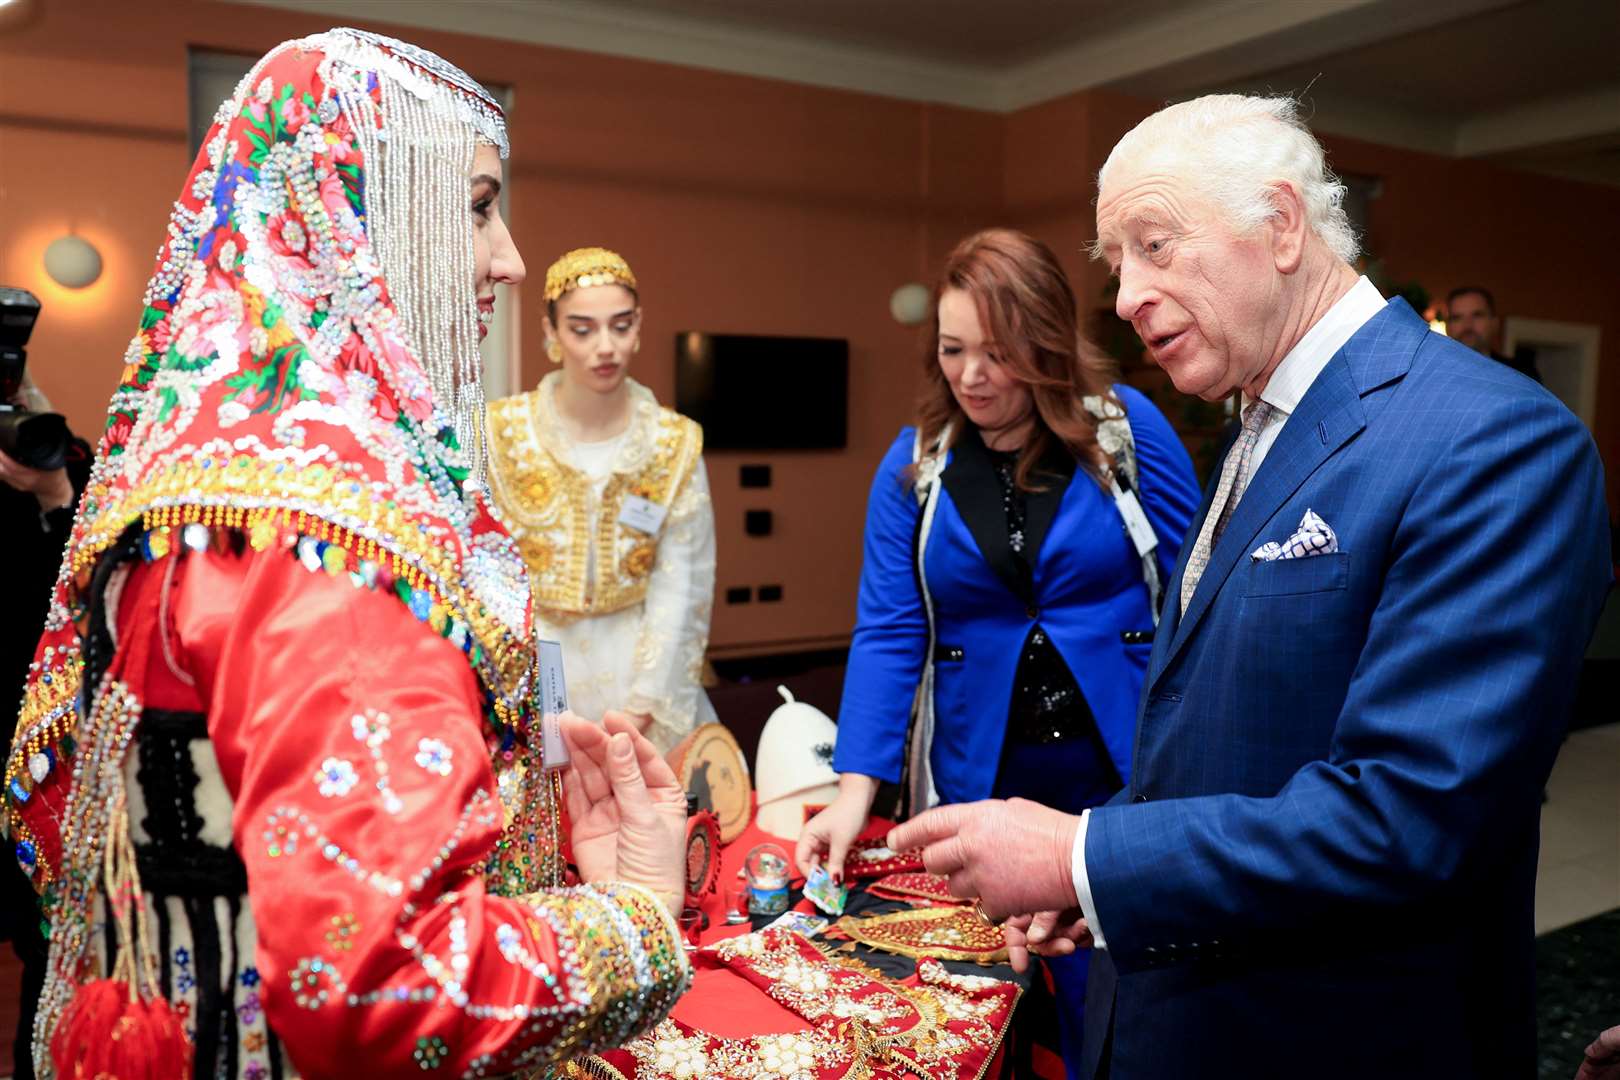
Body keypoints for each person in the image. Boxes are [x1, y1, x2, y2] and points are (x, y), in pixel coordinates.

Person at [4, 29, 689, 1080]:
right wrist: (636, 920)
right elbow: (382, 985)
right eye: (475, 205)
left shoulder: (212, 474)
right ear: (348, 207)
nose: (508, 255)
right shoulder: (330, 543)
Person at [890, 95, 1612, 1079]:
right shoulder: (1257, 427)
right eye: (1119, 265)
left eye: (1155, 246)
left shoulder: (1486, 440)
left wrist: (1082, 856)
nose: (1131, 295)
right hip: (1184, 1008)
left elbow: (1413, 820)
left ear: (1279, 227)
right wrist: (1107, 887)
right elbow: (1216, 730)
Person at [798, 228, 1199, 1070]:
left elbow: (1198, 599)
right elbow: (889, 629)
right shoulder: (915, 467)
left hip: (1118, 773)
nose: (972, 376)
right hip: (980, 774)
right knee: (982, 1009)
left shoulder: (1127, 433)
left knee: (1119, 1007)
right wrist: (852, 790)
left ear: (1046, 344)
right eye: (952, 351)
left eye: (998, 353)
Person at [486, 247, 716, 754]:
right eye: (582, 329)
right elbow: (485, 572)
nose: (605, 347)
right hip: (533, 664)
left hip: (640, 669)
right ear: (550, 333)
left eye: (620, 325)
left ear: (639, 326)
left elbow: (683, 583)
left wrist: (644, 703)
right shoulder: (501, 434)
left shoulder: (673, 443)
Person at [0, 377, 90, 1080]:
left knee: (49, 940)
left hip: (45, 755)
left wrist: (55, 499)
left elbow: (83, 607)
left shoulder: (73, 472)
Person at [1446, 284, 1542, 382]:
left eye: (1477, 315)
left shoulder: (1521, 375)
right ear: (1447, 327)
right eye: (1456, 318)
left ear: (1494, 323)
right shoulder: (1435, 373)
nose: (1467, 325)